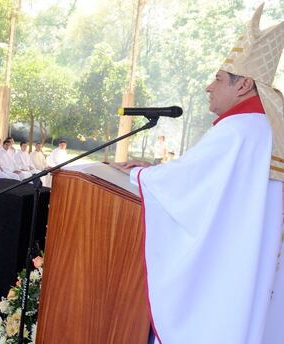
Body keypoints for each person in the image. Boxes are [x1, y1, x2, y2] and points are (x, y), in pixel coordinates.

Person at [113, 6, 284, 343]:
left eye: (218, 79)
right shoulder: (269, 130)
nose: (209, 87)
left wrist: (140, 176)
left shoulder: (237, 131)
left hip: (224, 271)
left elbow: (185, 191)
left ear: (244, 84)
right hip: (255, 266)